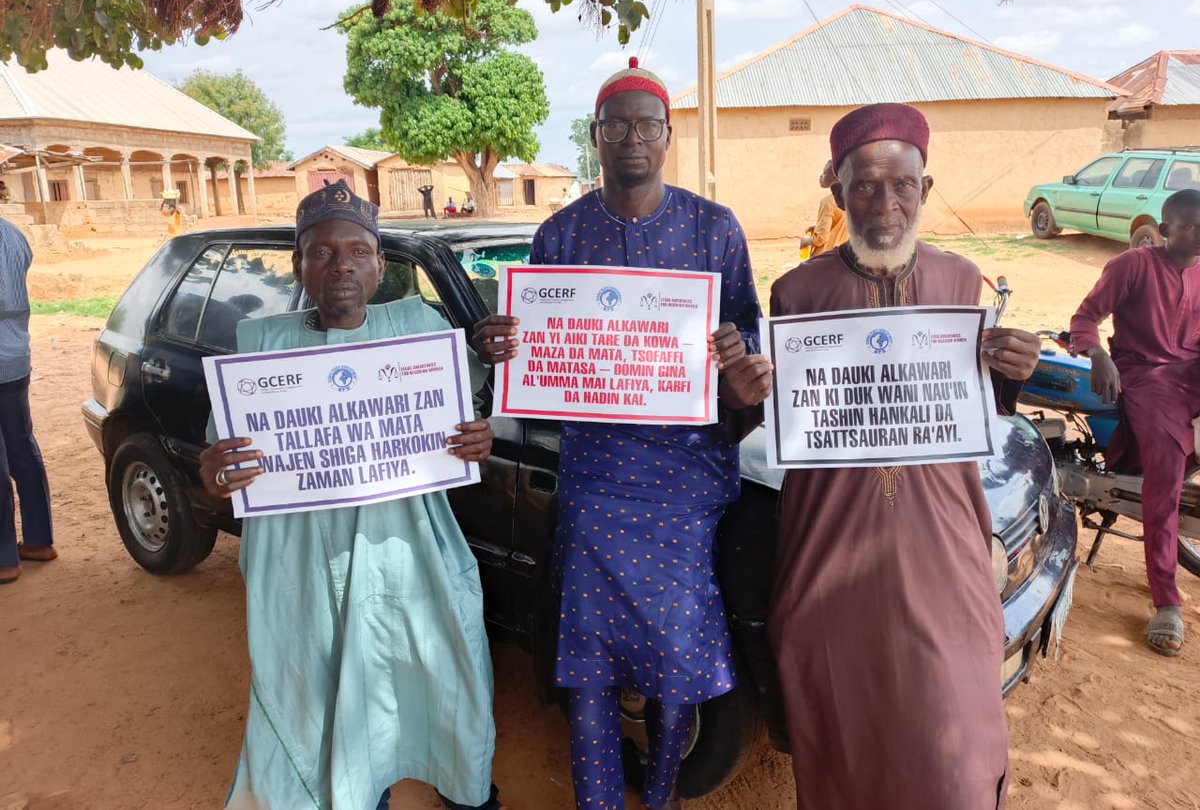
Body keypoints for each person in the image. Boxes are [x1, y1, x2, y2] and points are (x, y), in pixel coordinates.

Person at [472, 57, 769, 810]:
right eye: (615, 127)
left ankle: (662, 791)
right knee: (592, 665)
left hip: (686, 485)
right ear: (595, 137)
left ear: (667, 135)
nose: (631, 139)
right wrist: (506, 349)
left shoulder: (714, 229)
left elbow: (749, 358)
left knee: (679, 662)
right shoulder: (560, 235)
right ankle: (599, 800)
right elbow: (535, 382)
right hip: (597, 481)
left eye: (646, 125)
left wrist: (740, 356)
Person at [766, 104, 1041, 810]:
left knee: (957, 752)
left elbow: (976, 405)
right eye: (864, 186)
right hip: (832, 560)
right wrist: (747, 387)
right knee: (843, 748)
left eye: (903, 186)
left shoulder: (961, 281)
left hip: (944, 553)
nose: (884, 205)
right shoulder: (797, 294)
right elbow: (779, 415)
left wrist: (1012, 367)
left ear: (925, 187)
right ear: (837, 191)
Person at [199, 181, 506, 810]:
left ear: (380, 264)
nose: (341, 267)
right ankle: (355, 792)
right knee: (316, 682)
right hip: (301, 560)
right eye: (322, 253)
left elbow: (463, 413)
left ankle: (466, 790)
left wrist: (477, 437)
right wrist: (215, 470)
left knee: (438, 665)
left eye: (357, 252)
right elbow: (223, 455)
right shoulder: (262, 347)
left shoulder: (417, 326)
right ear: (299, 265)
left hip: (408, 544)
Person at [1069, 188, 1200, 657]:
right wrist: (1099, 354)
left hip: (1192, 372)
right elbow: (1085, 317)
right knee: (1165, 470)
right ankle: (1166, 599)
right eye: (1191, 225)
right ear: (1165, 231)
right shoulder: (1133, 266)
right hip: (1144, 376)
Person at [0, 216, 56, 585]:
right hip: (16, 356)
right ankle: (38, 540)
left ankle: (4, 559)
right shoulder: (14, 234)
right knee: (21, 445)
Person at [799, 159, 848, 259]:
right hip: (843, 257)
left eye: (825, 172)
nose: (821, 176)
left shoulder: (827, 202)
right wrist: (817, 226)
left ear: (835, 176)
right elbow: (840, 223)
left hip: (825, 258)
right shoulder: (851, 198)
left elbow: (821, 238)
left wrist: (805, 241)